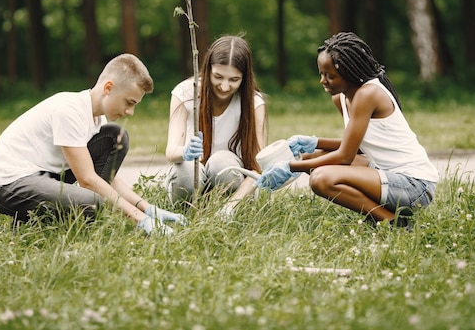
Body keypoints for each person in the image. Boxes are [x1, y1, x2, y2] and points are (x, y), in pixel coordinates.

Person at [0, 54, 187, 235]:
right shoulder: (69, 110)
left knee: (115, 137)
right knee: (92, 203)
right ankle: (28, 221)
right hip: (8, 185)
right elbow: (88, 179)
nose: (130, 112)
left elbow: (106, 180)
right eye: (129, 102)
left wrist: (147, 208)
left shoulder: (98, 120)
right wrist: (139, 219)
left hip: (43, 175)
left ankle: (32, 220)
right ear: (108, 88)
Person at [256, 32, 438, 229]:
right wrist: (312, 143)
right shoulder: (342, 97)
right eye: (321, 74)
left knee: (321, 179)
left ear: (350, 72)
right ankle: (385, 214)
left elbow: (345, 156)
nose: (323, 81)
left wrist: (290, 167)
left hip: (414, 186)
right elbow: (358, 147)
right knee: (309, 156)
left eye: (330, 76)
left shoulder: (367, 94)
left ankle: (391, 222)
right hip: (386, 175)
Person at [164, 35, 267, 216]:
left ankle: (225, 210)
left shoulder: (253, 103)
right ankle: (184, 213)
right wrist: (184, 151)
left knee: (222, 161)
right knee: (185, 168)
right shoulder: (186, 93)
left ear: (245, 77)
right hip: (192, 179)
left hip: (233, 185)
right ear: (207, 69)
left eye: (234, 79)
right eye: (218, 76)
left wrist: (231, 206)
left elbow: (258, 168)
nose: (225, 87)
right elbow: (171, 151)